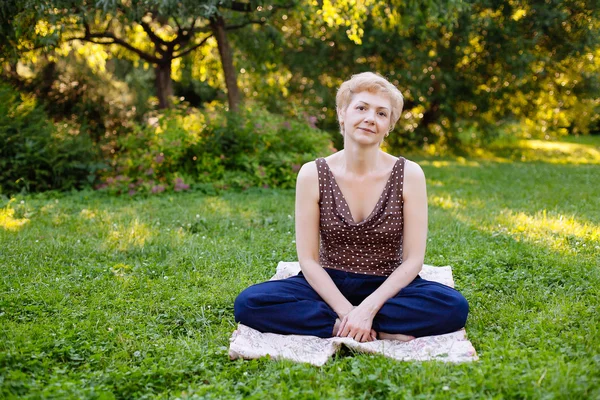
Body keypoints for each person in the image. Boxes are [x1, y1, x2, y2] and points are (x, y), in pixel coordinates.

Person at [234, 72, 468, 343]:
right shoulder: (313, 173)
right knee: (249, 303)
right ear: (342, 114)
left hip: (388, 285)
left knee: (454, 306)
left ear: (389, 126)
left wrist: (368, 308)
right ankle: (348, 327)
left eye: (382, 113)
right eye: (361, 108)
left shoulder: (409, 174)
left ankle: (361, 324)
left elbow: (414, 260)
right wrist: (347, 312)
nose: (370, 118)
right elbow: (308, 260)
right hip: (328, 283)